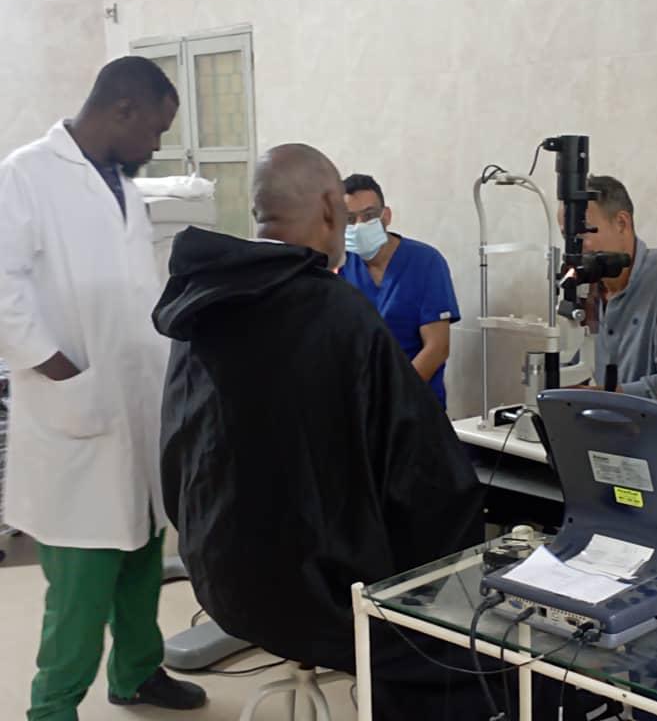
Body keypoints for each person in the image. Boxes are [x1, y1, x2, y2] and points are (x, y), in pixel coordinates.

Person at [153, 144, 487, 720]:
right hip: (319, 601)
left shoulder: (202, 304)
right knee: (472, 641)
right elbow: (429, 486)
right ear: (333, 209)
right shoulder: (337, 313)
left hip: (223, 582)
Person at [0, 57, 206, 720]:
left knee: (142, 556)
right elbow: (2, 294)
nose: (157, 145)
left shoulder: (121, 185)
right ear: (123, 109)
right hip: (76, 417)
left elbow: (133, 291)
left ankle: (138, 674)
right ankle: (52, 708)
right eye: (156, 130)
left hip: (135, 409)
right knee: (81, 591)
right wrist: (65, 372)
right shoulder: (25, 176)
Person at [559, 175, 657, 404]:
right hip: (602, 420)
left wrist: (601, 397)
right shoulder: (584, 288)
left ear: (622, 223)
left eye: (583, 233)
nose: (575, 249)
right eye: (567, 236)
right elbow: (572, 367)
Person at [341, 173, 460, 408]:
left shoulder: (425, 262)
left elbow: (437, 347)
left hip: (415, 404)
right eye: (350, 219)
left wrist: (393, 398)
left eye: (369, 216)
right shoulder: (341, 266)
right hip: (359, 405)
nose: (359, 226)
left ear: (386, 216)